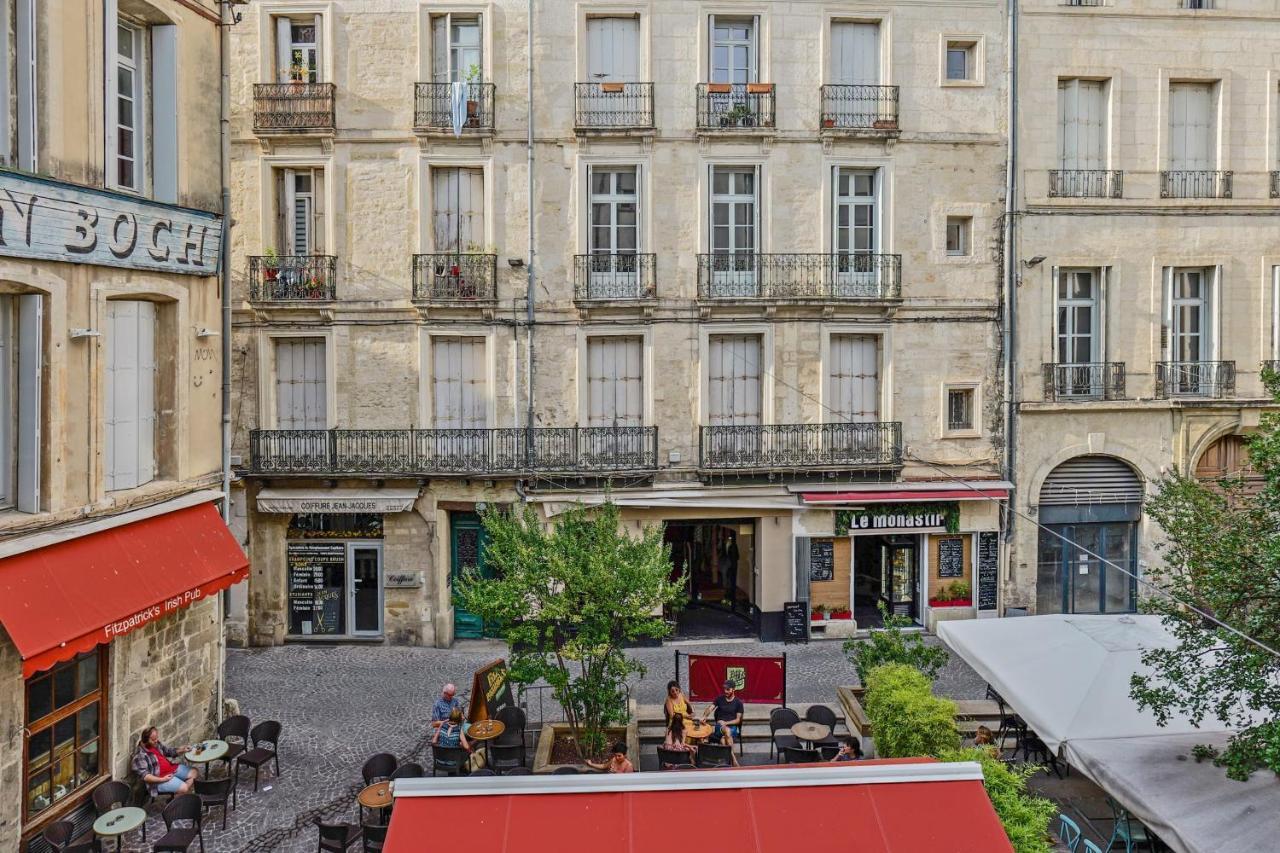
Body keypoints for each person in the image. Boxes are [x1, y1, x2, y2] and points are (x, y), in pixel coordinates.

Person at [131, 726, 199, 797]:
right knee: (184, 788)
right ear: (146, 740)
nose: (156, 741)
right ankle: (179, 797)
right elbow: (145, 776)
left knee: (194, 772)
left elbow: (168, 751)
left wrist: (183, 750)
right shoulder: (140, 756)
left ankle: (178, 796)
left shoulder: (155, 744)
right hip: (160, 779)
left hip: (172, 769)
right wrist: (162, 779)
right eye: (153, 739)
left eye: (157, 738)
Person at [702, 679, 744, 749]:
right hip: (719, 727)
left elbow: (738, 720)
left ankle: (727, 758)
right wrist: (704, 716)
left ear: (733, 689)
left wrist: (725, 723)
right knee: (727, 732)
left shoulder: (738, 703)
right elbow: (710, 708)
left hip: (732, 728)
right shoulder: (719, 699)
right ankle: (732, 759)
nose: (725, 691)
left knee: (724, 739)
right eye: (724, 689)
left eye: (728, 689)